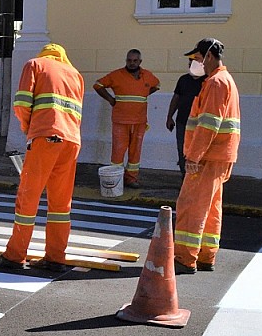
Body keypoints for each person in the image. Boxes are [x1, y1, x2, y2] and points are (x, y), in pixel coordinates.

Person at [0, 43, 84, 272]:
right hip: (71, 142)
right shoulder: (76, 75)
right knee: (60, 203)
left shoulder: (35, 65)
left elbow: (21, 104)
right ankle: (56, 257)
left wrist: (30, 129)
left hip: (45, 138)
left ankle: (15, 255)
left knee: (28, 198)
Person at [173, 38, 240, 274]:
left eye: (197, 58)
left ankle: (184, 257)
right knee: (211, 208)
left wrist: (193, 157)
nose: (195, 62)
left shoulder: (215, 83)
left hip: (207, 156)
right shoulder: (223, 81)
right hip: (219, 155)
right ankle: (205, 256)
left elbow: (208, 125)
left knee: (190, 205)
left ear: (208, 56)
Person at [93, 49, 160, 187]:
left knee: (135, 152)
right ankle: (116, 179)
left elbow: (157, 85)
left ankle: (131, 179)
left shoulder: (147, 75)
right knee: (118, 152)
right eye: (129, 60)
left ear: (140, 62)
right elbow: (98, 85)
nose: (132, 63)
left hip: (139, 121)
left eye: (135, 60)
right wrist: (110, 99)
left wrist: (143, 95)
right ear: (126, 61)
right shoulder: (117, 75)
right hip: (120, 121)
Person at [164, 50, 206, 177]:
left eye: (193, 62)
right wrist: (169, 117)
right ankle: (184, 179)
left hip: (199, 126)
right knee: (182, 152)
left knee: (198, 154)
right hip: (182, 122)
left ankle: (197, 182)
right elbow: (176, 98)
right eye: (189, 63)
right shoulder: (183, 80)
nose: (190, 65)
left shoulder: (208, 81)